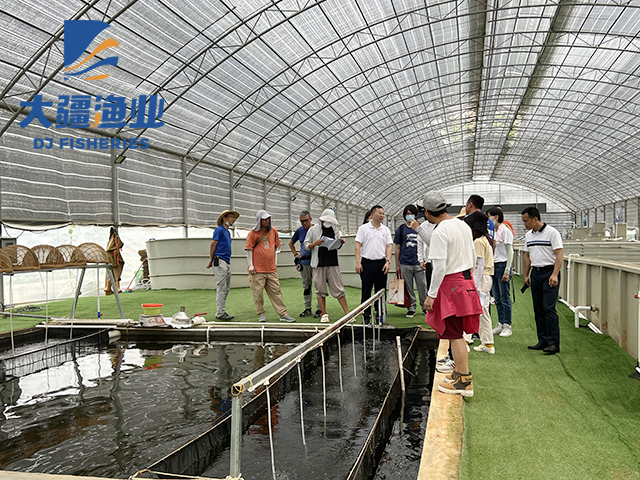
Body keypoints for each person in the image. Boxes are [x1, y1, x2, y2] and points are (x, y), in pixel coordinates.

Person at [410, 191, 482, 397]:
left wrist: (431, 295)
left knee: (454, 334)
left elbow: (439, 267)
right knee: (456, 332)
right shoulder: (462, 225)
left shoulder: (441, 231)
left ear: (426, 212)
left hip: (452, 284)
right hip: (466, 280)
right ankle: (460, 375)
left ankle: (464, 382)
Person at [522, 207, 564, 355]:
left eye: (526, 221)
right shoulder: (528, 235)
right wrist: (526, 275)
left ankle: (554, 343)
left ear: (535, 219)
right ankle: (543, 340)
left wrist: (555, 274)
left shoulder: (552, 233)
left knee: (548, 308)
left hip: (549, 272)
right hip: (536, 273)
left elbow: (559, 254)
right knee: (538, 308)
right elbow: (528, 256)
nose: (524, 224)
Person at [245, 210, 296, 323]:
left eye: (268, 218)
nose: (267, 221)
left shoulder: (273, 231)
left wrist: (273, 260)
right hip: (257, 269)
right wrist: (251, 265)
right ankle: (261, 313)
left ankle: (283, 313)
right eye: (264, 219)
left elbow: (276, 246)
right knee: (258, 292)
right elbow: (248, 249)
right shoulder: (252, 233)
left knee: (276, 291)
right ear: (259, 220)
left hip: (271, 268)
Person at [304, 208, 349, 323]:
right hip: (318, 264)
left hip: (333, 263)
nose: (327, 223)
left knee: (339, 288)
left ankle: (348, 314)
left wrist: (340, 243)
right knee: (320, 289)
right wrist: (315, 244)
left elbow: (337, 245)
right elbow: (306, 245)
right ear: (321, 220)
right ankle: (324, 313)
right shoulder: (313, 230)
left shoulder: (335, 230)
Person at [463, 212, 495, 354]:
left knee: (472, 310)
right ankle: (488, 344)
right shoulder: (485, 240)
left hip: (481, 278)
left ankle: (465, 341)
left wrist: (474, 284)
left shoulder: (478, 242)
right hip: (486, 278)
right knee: (483, 311)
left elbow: (480, 264)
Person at [355, 205, 393, 325]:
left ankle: (380, 317)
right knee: (366, 291)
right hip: (367, 263)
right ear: (372, 214)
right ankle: (366, 317)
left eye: (383, 213)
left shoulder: (385, 230)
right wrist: (358, 262)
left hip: (381, 263)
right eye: (380, 213)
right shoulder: (363, 229)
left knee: (381, 291)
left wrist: (388, 261)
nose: (382, 216)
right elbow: (357, 245)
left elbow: (389, 246)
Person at [394, 204, 428, 317]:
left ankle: (424, 306)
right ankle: (411, 307)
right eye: (407, 214)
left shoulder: (420, 228)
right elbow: (397, 247)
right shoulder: (401, 229)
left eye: (412, 213)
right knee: (408, 286)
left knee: (422, 286)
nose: (410, 216)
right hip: (405, 262)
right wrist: (397, 264)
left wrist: (424, 259)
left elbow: (425, 244)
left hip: (419, 263)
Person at [207, 210, 239, 320]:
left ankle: (222, 311)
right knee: (222, 287)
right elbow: (213, 244)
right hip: (220, 260)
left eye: (233, 218)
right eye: (230, 217)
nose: (232, 220)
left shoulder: (227, 232)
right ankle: (220, 312)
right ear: (224, 218)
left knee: (226, 288)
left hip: (226, 261)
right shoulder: (219, 230)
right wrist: (211, 260)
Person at [487, 207, 514, 337]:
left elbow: (510, 251)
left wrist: (507, 270)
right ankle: (500, 322)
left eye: (489, 216)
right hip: (494, 266)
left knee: (504, 297)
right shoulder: (492, 231)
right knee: (496, 298)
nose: (488, 219)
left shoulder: (506, 231)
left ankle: (507, 324)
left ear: (496, 217)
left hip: (503, 266)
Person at [289, 211, 320, 318]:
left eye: (306, 220)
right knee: (306, 286)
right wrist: (295, 254)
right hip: (304, 262)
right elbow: (291, 242)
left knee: (318, 286)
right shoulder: (299, 231)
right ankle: (307, 308)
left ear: (310, 219)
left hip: (316, 262)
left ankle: (320, 309)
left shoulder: (318, 229)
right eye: (302, 221)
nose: (304, 223)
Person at [105, 227, 124, 295]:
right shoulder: (114, 238)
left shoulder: (111, 240)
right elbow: (120, 244)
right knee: (116, 272)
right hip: (114, 259)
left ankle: (108, 287)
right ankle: (116, 288)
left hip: (110, 258)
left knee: (110, 273)